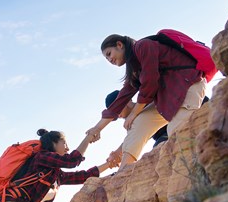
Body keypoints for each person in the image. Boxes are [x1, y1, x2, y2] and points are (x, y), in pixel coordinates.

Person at [87, 34, 208, 169]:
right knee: (138, 123)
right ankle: (124, 171)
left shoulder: (143, 46)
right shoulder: (133, 68)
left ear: (120, 45)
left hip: (187, 85)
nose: (109, 59)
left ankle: (193, 175)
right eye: (106, 58)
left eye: (109, 54)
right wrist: (97, 129)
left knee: (178, 135)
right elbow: (121, 98)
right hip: (166, 97)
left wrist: (133, 113)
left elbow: (150, 83)